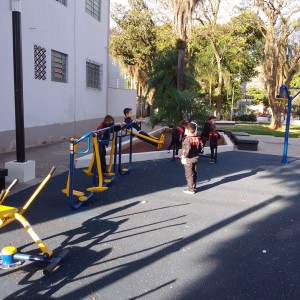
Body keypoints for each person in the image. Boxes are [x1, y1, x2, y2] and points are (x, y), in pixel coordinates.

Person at [181, 122, 200, 194]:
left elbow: (187, 149)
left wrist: (184, 156)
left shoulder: (187, 139)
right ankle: (193, 186)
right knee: (194, 173)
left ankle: (190, 189)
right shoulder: (196, 138)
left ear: (188, 131)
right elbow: (200, 148)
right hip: (196, 157)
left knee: (189, 174)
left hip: (189, 159)